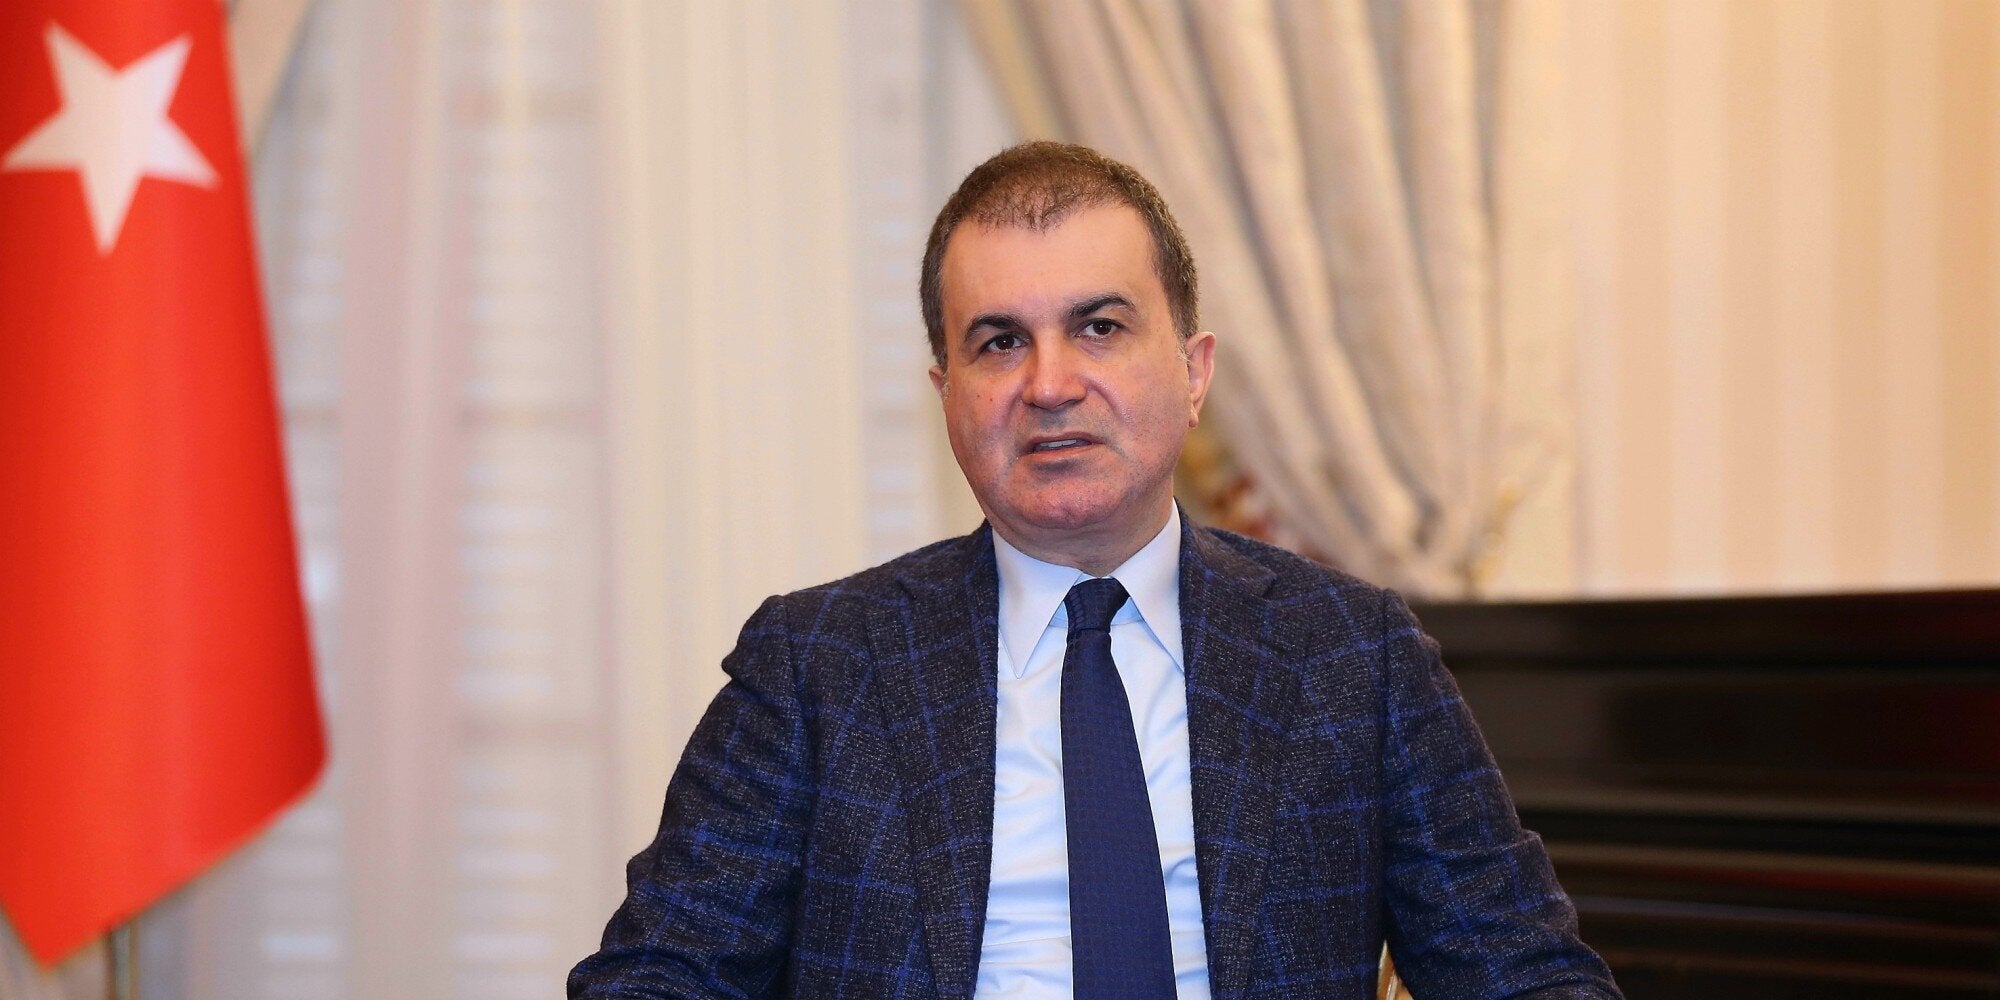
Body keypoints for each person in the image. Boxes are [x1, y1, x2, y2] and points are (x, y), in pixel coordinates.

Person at [569, 142, 1621, 1000]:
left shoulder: (1352, 651)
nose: (1050, 383)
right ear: (946, 395)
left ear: (1193, 372)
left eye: (1099, 327)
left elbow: (1524, 972)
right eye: (997, 343)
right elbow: (659, 976)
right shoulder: (817, 664)